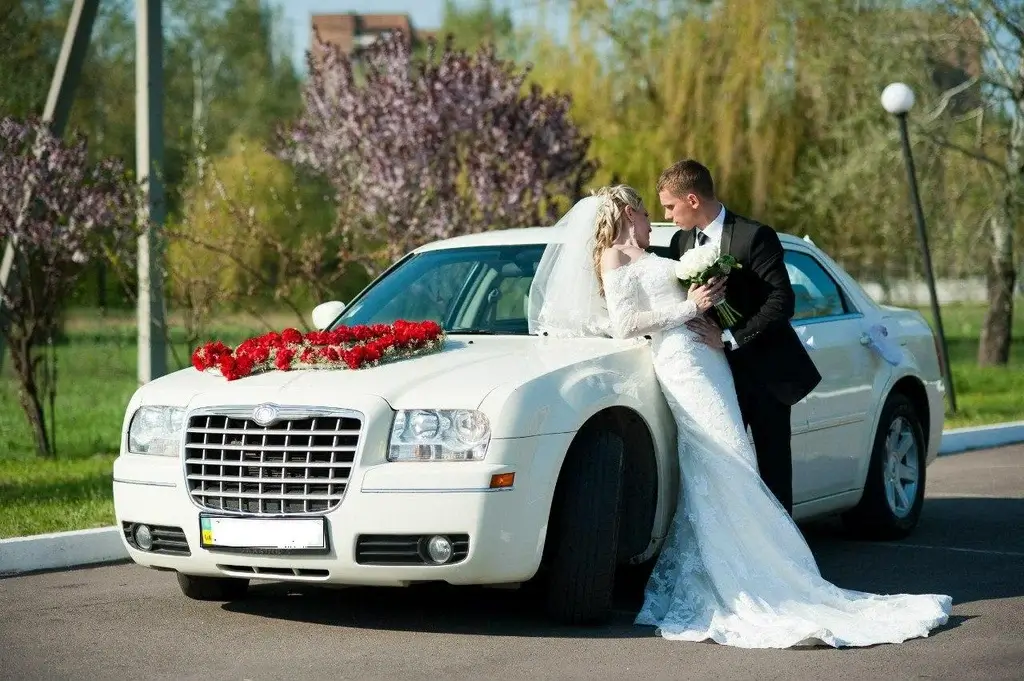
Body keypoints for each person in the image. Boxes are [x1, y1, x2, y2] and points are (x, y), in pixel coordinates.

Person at [526, 185, 952, 649]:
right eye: (649, 212)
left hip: (710, 358)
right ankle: (749, 572)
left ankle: (760, 562)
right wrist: (696, 304)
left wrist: (712, 315)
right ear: (629, 212)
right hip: (681, 363)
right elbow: (627, 322)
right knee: (720, 455)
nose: (656, 219)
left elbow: (769, 300)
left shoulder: (674, 247)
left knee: (734, 455)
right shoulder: (614, 258)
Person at [661, 159, 820, 515]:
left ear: (692, 199)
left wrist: (731, 338)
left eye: (671, 207)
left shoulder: (754, 236)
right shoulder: (680, 242)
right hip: (713, 374)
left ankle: (783, 556)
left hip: (765, 372)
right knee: (725, 465)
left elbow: (782, 302)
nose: (669, 216)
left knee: (773, 466)